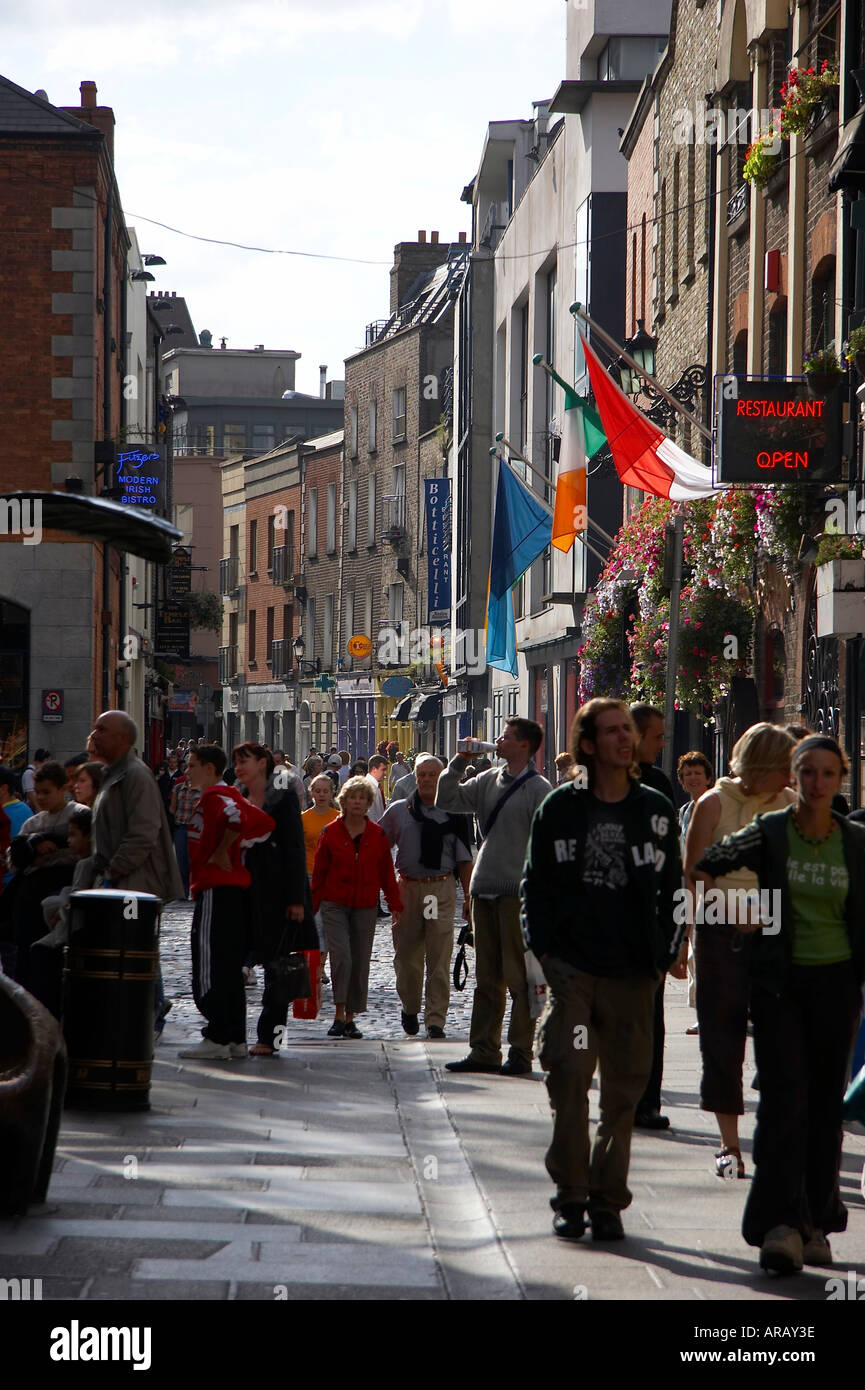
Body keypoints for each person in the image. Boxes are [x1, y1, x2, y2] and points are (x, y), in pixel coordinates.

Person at [694, 734, 865, 1274]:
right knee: (785, 1105)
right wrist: (744, 911)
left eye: (827, 774)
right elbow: (705, 864)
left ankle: (818, 1222)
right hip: (780, 988)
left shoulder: (855, 843)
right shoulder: (770, 832)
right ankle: (779, 1225)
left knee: (823, 1111)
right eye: (806, 772)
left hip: (837, 988)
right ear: (794, 774)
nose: (816, 784)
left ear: (839, 780)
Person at [523, 699, 685, 1241]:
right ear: (588, 744)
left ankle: (608, 1199)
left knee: (623, 1092)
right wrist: (545, 951)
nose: (625, 739)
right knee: (568, 1074)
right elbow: (535, 885)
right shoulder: (559, 809)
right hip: (573, 971)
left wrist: (664, 955)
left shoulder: (655, 811)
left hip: (633, 973)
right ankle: (571, 1192)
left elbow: (673, 892)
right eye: (613, 731)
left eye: (629, 731)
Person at [684, 722, 796, 1180]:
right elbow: (695, 870)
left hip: (775, 933)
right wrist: (728, 911)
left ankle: (780, 1133)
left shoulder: (790, 805)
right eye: (785, 766)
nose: (792, 775)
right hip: (720, 932)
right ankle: (729, 1145)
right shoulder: (714, 803)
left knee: (782, 1036)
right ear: (765, 765)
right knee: (722, 1037)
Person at [437, 718, 551, 1076]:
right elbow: (447, 799)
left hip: (517, 892)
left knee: (518, 977)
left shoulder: (539, 788)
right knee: (487, 979)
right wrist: (456, 763)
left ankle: (520, 1051)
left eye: (506, 737)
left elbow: (547, 847)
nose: (497, 741)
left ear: (525, 746)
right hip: (483, 887)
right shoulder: (487, 779)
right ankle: (483, 1050)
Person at [179, 744, 275, 1060]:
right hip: (233, 892)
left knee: (209, 964)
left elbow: (238, 820)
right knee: (230, 965)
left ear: (209, 768)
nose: (187, 771)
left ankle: (217, 1034)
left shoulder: (216, 798)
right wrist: (238, 849)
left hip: (215, 889)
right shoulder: (232, 795)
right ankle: (234, 1036)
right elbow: (261, 823)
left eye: (192, 765)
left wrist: (223, 851)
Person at [380, 755, 474, 1039]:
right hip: (407, 888)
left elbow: (465, 860)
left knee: (439, 956)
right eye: (422, 774)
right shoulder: (399, 811)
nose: (427, 779)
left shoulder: (454, 813)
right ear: (415, 777)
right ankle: (410, 1007)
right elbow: (379, 849)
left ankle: (436, 1020)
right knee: (406, 958)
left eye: (433, 774)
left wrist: (469, 899)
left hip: (441, 887)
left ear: (441, 776)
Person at [233, 741, 313, 1057]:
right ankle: (230, 1033)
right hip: (243, 891)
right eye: (236, 762)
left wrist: (296, 899)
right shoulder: (237, 794)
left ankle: (271, 1038)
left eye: (245, 761)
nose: (239, 767)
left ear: (263, 763)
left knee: (278, 969)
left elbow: (294, 846)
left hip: (277, 892)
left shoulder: (282, 794)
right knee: (242, 959)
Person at [311, 775, 403, 1039]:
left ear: (368, 803)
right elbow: (319, 873)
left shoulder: (377, 834)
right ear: (344, 800)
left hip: (365, 905)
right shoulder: (330, 832)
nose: (357, 802)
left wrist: (394, 903)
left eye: (362, 798)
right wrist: (312, 906)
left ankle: (351, 1018)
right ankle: (338, 1014)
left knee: (360, 961)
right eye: (353, 797)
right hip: (334, 904)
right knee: (342, 958)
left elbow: (386, 871)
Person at [629, 703, 677, 1131]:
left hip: (647, 934)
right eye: (658, 737)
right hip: (599, 935)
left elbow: (673, 876)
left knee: (651, 1024)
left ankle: (648, 1101)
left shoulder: (659, 787)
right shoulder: (587, 788)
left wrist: (671, 941)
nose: (663, 745)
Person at [676, 751, 714, 1035]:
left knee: (705, 952)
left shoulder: (714, 806)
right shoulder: (685, 811)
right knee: (691, 951)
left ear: (708, 777)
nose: (692, 778)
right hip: (688, 889)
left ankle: (710, 1012)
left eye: (697, 773)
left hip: (710, 889)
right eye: (687, 774)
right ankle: (702, 1011)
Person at [20, 762, 89, 836]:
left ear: (63, 789)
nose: (40, 797)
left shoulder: (80, 813)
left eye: (46, 792)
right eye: (37, 792)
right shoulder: (32, 824)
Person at [170, 764, 201, 900]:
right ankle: (183, 890)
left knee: (193, 860)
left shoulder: (201, 790)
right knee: (181, 861)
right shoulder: (178, 788)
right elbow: (172, 807)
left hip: (195, 828)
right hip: (181, 827)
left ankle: (195, 889)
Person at [365, 754, 389, 822]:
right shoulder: (368, 788)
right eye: (383, 770)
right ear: (374, 769)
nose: (385, 773)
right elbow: (371, 815)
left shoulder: (375, 786)